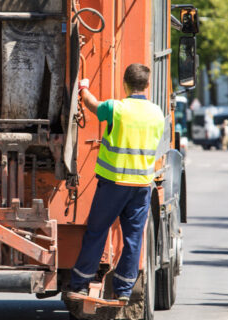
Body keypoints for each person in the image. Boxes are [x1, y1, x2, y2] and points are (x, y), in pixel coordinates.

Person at [70, 63, 165, 301]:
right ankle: (123, 290)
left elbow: (93, 105)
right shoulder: (157, 113)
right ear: (147, 85)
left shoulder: (117, 108)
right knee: (133, 238)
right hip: (142, 185)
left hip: (114, 184)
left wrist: (83, 88)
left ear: (124, 84)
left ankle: (81, 283)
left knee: (97, 232)